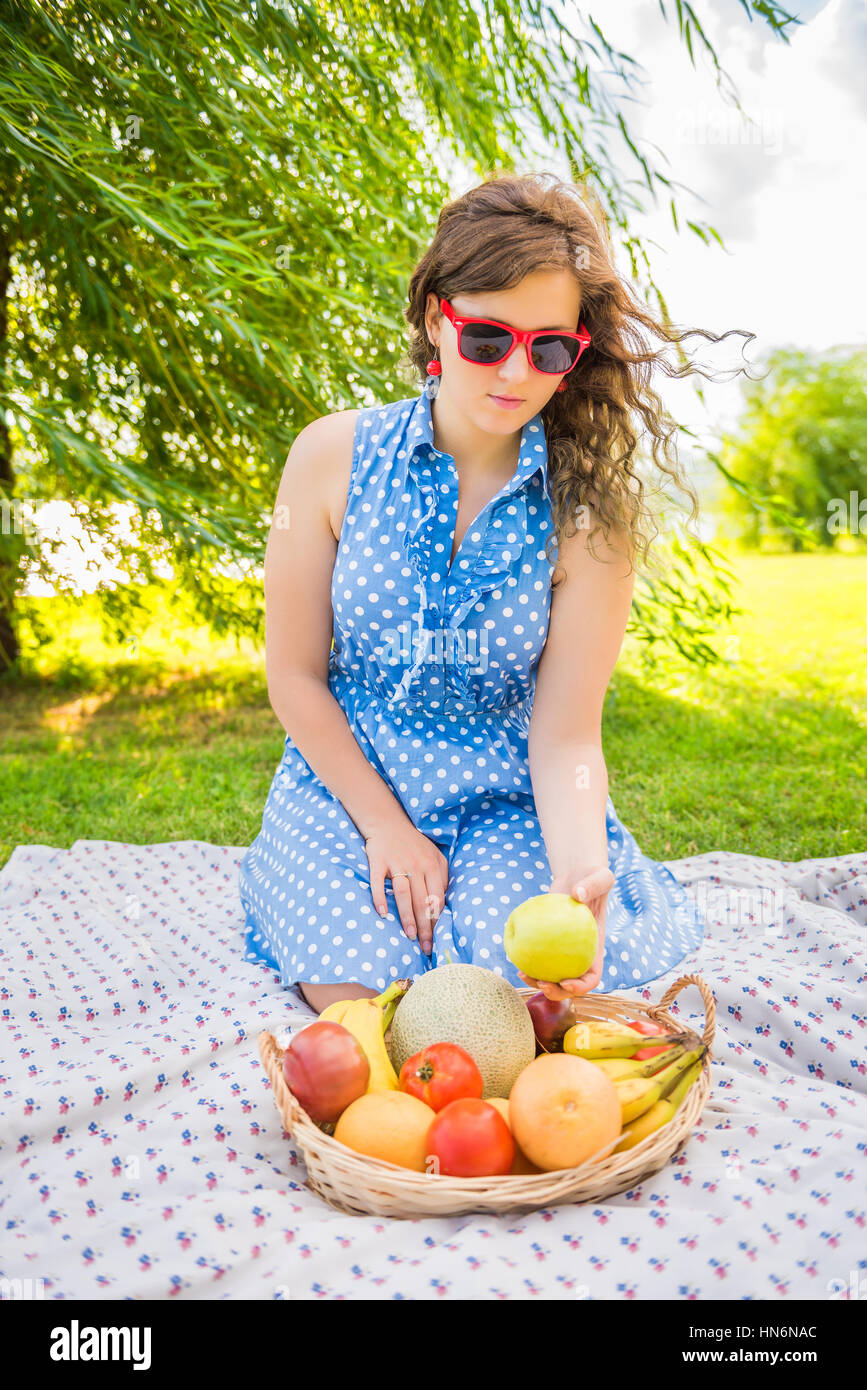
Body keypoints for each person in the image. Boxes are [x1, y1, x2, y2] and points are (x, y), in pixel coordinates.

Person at [238, 172, 728, 1016]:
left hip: (508, 798)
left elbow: (567, 738)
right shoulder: (327, 458)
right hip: (345, 784)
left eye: (547, 349)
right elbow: (295, 677)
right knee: (367, 992)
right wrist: (385, 827)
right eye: (487, 338)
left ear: (574, 354)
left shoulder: (588, 512)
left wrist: (577, 868)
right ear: (436, 317)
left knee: (512, 1000)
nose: (514, 371)